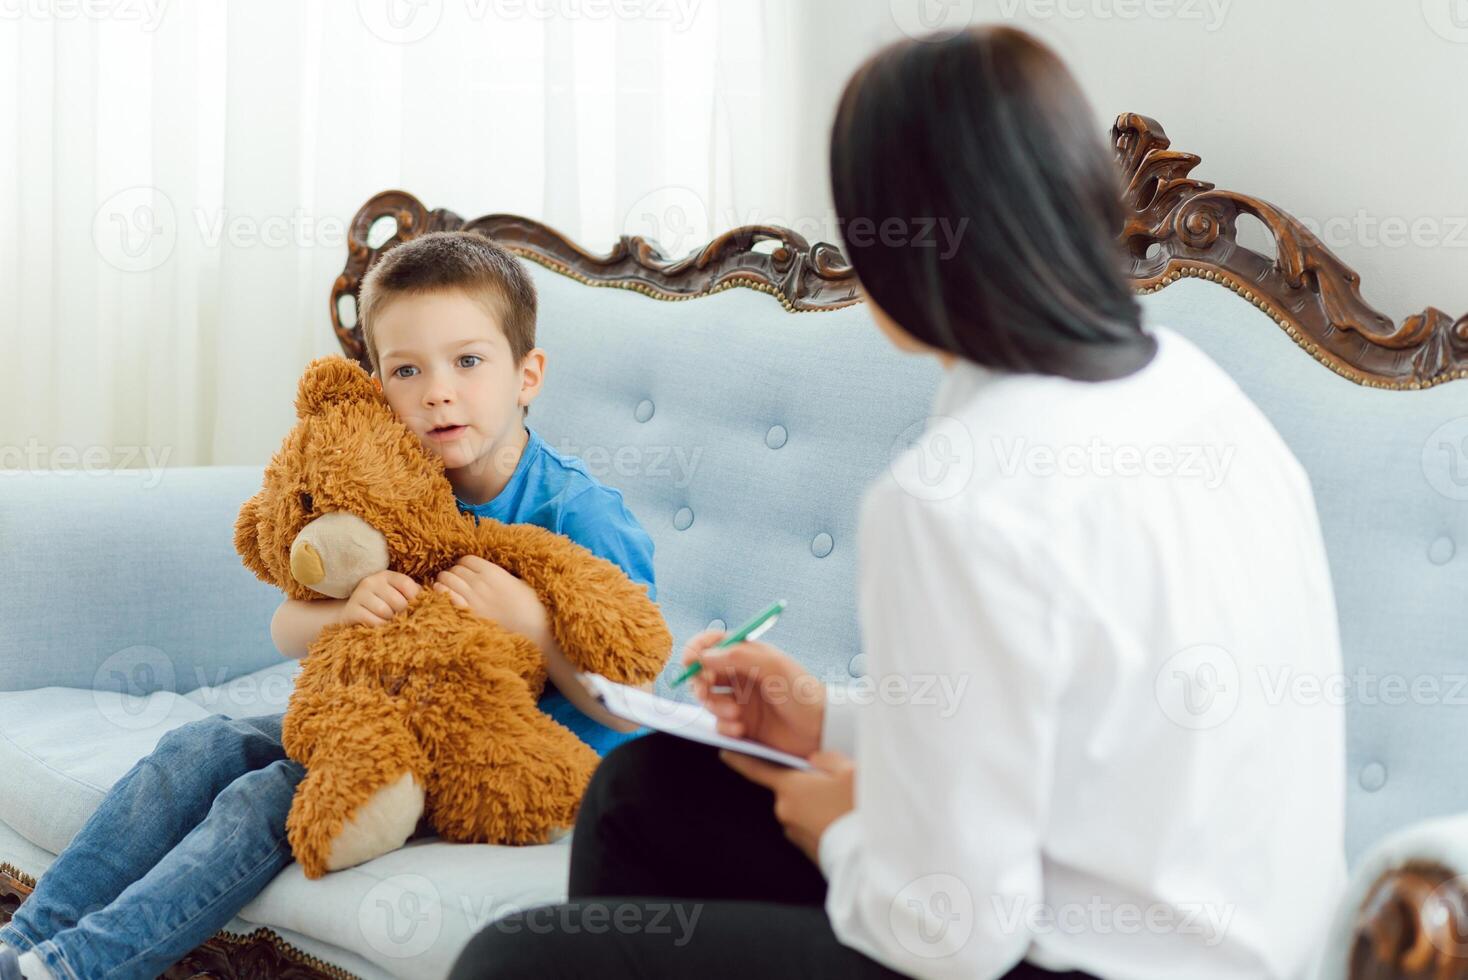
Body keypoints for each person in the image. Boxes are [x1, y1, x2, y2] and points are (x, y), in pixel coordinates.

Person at [448, 26, 1346, 980]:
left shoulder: (957, 497)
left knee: (514, 964)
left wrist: (843, 832)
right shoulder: (1198, 394)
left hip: (1082, 962)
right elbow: (1056, 729)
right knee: (646, 791)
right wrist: (825, 721)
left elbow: (950, 936)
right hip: (1238, 943)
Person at [0, 230, 658, 980]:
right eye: (407, 370)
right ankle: (27, 940)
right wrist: (347, 612)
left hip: (501, 764)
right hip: (376, 721)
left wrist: (535, 628)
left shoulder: (579, 513)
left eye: (469, 361)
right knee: (198, 749)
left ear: (526, 374)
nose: (439, 390)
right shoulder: (389, 486)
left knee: (267, 798)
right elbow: (287, 627)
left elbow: (631, 705)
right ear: (377, 385)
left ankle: (76, 967)